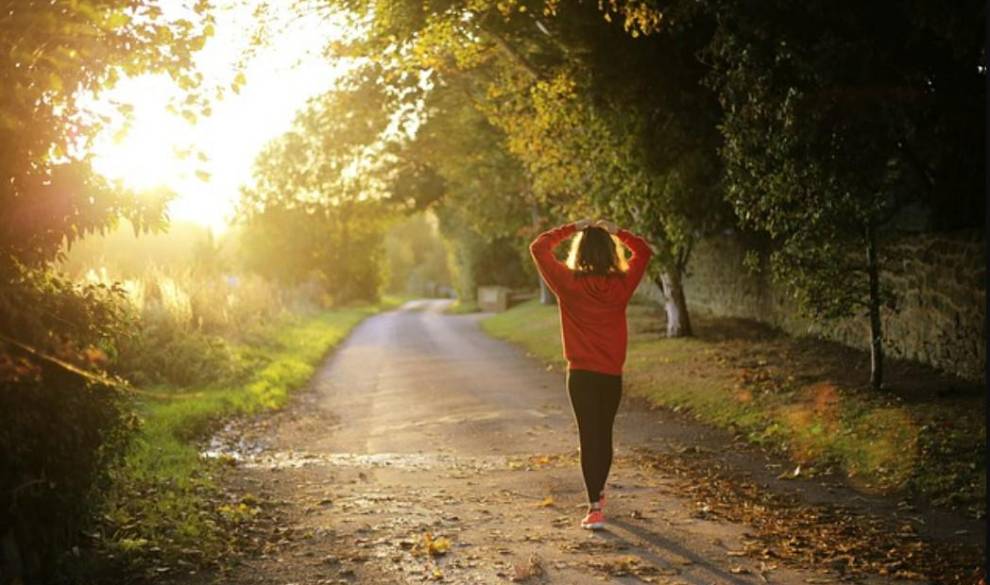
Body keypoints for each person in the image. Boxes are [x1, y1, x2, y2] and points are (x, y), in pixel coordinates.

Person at [529, 218, 653, 530]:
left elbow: (538, 247)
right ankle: (598, 493)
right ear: (611, 252)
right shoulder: (621, 285)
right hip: (610, 375)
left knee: (589, 436)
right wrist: (618, 231)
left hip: (581, 376)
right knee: (604, 434)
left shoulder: (567, 283)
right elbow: (644, 251)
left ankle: (594, 506)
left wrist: (572, 227)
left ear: (579, 251)